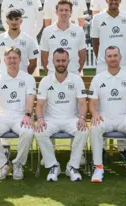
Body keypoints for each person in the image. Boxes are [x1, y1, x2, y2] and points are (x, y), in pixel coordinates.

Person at [34, 48, 89, 182]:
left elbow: (83, 103)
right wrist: (40, 119)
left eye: (63, 60)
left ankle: (72, 167)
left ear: (68, 62)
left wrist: (82, 118)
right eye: (58, 60)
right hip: (51, 120)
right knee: (40, 131)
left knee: (83, 130)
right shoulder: (46, 81)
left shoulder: (76, 80)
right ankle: (53, 166)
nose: (61, 63)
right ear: (53, 62)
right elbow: (39, 105)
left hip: (71, 119)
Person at [88, 46, 126, 183]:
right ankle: (98, 168)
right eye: (109, 56)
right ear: (105, 59)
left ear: (120, 58)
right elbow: (92, 103)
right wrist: (94, 113)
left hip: (123, 117)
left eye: (115, 55)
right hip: (105, 117)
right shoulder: (98, 79)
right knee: (95, 127)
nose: (112, 58)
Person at [0, 47, 36, 180]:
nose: (12, 61)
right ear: (4, 60)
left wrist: (28, 114)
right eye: (9, 58)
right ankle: (3, 165)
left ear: (20, 60)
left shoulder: (28, 78)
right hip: (3, 116)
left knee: (28, 132)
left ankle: (18, 164)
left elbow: (30, 99)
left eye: (15, 58)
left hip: (21, 116)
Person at [91, 0, 126, 74]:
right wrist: (102, 59)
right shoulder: (97, 18)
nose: (113, 2)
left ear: (120, 0)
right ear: (106, 0)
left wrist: (123, 56)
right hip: (103, 64)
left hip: (123, 64)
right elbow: (95, 42)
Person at [40, 0, 86, 75]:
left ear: (71, 13)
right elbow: (44, 56)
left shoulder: (79, 30)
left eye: (66, 10)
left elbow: (82, 56)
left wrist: (76, 71)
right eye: (61, 10)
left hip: (73, 74)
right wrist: (50, 72)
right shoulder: (47, 31)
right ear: (56, 12)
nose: (64, 13)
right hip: (53, 75)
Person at [0, 9, 39, 75]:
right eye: (11, 19)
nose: (14, 22)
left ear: (21, 21)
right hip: (4, 80)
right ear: (7, 21)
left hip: (22, 81)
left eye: (16, 19)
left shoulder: (29, 40)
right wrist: (3, 75)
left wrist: (24, 76)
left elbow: (33, 64)